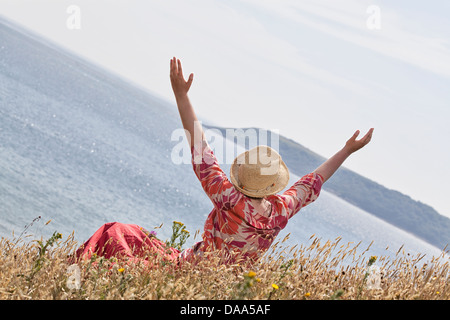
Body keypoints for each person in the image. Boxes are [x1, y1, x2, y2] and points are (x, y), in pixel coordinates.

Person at [74, 57, 373, 266]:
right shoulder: (280, 210)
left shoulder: (229, 199)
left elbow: (200, 150)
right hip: (225, 285)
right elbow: (313, 182)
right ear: (272, 185)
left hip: (191, 271)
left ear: (241, 178)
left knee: (116, 234)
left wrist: (181, 96)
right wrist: (346, 150)